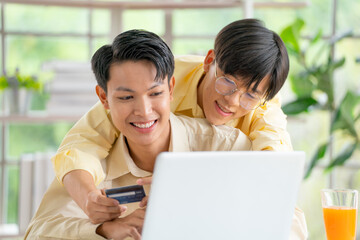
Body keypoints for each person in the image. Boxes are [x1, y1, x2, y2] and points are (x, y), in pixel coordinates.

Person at [52, 19, 294, 226]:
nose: (232, 100)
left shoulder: (264, 106)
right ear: (209, 60)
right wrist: (88, 199)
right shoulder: (154, 79)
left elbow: (276, 175)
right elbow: (82, 142)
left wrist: (190, 185)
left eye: (250, 95)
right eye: (227, 83)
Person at [25, 29, 255, 240]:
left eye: (155, 93)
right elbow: (38, 232)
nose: (144, 112)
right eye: (126, 97)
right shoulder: (85, 166)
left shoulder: (226, 147)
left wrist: (198, 199)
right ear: (104, 98)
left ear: (171, 89)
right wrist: (103, 230)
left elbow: (286, 223)